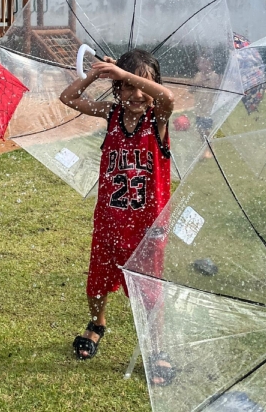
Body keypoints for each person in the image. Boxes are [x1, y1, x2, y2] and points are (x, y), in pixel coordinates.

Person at [60, 49, 174, 363]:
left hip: (148, 225)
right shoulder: (111, 114)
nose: (137, 94)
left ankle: (156, 346)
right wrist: (96, 74)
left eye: (143, 86)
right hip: (110, 220)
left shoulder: (157, 119)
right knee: (97, 282)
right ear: (117, 89)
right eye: (128, 87)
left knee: (149, 289)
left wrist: (126, 74)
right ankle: (97, 322)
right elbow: (68, 97)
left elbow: (167, 97)